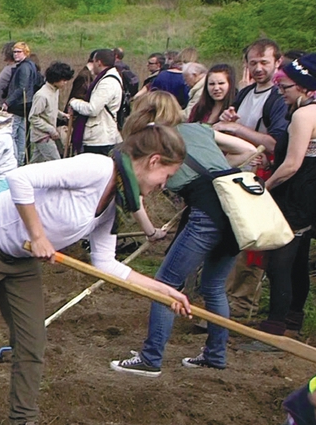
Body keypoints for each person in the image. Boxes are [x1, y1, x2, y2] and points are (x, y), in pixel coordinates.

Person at [0, 122, 192, 425]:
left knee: (32, 342)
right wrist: (38, 234)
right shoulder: (97, 169)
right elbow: (20, 178)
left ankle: (24, 419)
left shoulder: (118, 200)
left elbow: (105, 263)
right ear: (153, 161)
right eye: (167, 175)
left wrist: (164, 291)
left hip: (20, 258)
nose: (164, 185)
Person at [108, 91, 257, 377]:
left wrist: (150, 231)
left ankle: (150, 358)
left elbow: (133, 196)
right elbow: (248, 150)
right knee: (213, 287)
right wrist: (219, 167)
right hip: (236, 213)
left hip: (205, 215)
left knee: (165, 284)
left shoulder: (150, 144)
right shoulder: (200, 129)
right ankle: (215, 355)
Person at [253, 53, 316, 338]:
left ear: (302, 87)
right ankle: (292, 318)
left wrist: (266, 186)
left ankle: (275, 328)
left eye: (285, 87)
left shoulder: (304, 114)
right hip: (310, 196)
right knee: (297, 261)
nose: (281, 93)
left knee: (279, 263)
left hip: (297, 198)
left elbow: (293, 164)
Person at [214, 38, 289, 317]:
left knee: (252, 247)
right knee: (233, 241)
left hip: (262, 178)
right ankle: (223, 300)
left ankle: (242, 306)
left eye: (264, 63)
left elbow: (274, 143)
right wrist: (231, 121)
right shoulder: (246, 93)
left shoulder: (278, 98)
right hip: (238, 173)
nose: (258, 68)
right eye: (253, 63)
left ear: (277, 62)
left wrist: (238, 128)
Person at [69, 49, 123, 156]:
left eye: (93, 62)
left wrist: (74, 103)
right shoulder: (107, 78)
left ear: (99, 62)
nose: (92, 65)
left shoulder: (107, 83)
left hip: (100, 138)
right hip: (100, 135)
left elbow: (93, 109)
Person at [1, 42, 41, 165]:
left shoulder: (24, 67)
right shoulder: (30, 65)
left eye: (19, 52)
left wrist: (8, 102)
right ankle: (20, 160)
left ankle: (14, 161)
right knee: (22, 134)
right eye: (14, 52)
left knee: (12, 134)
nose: (16, 54)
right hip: (26, 103)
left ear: (26, 52)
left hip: (19, 105)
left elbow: (22, 88)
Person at [28, 62, 74, 163]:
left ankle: (24, 176)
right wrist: (51, 130)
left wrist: (63, 115)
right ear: (55, 79)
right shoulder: (42, 95)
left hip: (48, 134)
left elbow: (50, 109)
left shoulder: (55, 91)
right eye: (64, 80)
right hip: (43, 136)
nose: (65, 83)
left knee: (35, 164)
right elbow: (33, 117)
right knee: (56, 163)